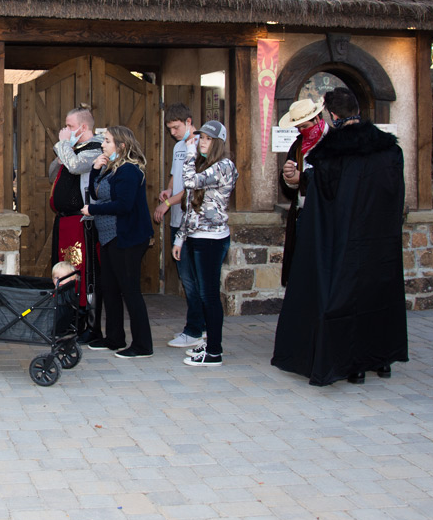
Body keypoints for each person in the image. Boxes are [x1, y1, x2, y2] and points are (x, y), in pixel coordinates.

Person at [270, 88, 407, 385]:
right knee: (377, 296)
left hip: (343, 240)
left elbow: (326, 197)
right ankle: (380, 358)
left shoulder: (333, 154)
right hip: (379, 241)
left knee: (346, 299)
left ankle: (353, 363)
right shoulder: (389, 150)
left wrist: (302, 179)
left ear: (332, 116)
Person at [82, 125, 154, 359]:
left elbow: (124, 206)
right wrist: (94, 170)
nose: (103, 144)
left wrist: (91, 210)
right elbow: (95, 193)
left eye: (108, 141)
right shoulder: (110, 170)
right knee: (109, 288)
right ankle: (114, 338)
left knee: (130, 290)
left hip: (128, 237)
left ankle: (143, 345)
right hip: (109, 237)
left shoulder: (129, 171)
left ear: (121, 146)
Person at [171, 121, 238, 367]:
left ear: (218, 142)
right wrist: (180, 237)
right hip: (196, 237)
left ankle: (215, 352)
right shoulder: (204, 164)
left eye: (208, 139)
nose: (201, 143)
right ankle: (209, 344)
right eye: (201, 139)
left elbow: (189, 182)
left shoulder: (224, 166)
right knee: (202, 292)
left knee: (209, 295)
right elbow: (190, 206)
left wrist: (188, 156)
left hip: (212, 239)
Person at [48, 106, 104, 340]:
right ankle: (65, 320)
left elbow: (76, 166)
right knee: (63, 271)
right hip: (64, 222)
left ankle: (87, 325)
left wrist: (63, 146)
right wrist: (65, 149)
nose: (65, 130)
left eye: (70, 127)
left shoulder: (95, 149)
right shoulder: (73, 148)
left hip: (82, 223)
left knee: (83, 273)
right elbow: (54, 171)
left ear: (83, 127)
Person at [154, 102, 204, 350]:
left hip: (192, 221)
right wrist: (168, 189)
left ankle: (196, 330)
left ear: (189, 121)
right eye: (170, 128)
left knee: (192, 279)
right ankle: (198, 326)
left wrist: (167, 203)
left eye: (176, 127)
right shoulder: (177, 146)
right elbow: (177, 176)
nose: (172, 132)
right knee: (188, 277)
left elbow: (193, 187)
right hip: (178, 221)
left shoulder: (201, 146)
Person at [277, 98, 328, 289]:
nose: (301, 131)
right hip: (302, 214)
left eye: (304, 126)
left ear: (317, 119)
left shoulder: (335, 144)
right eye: (298, 127)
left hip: (325, 217)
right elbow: (291, 186)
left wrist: (303, 178)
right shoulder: (298, 145)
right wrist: (288, 178)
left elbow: (332, 178)